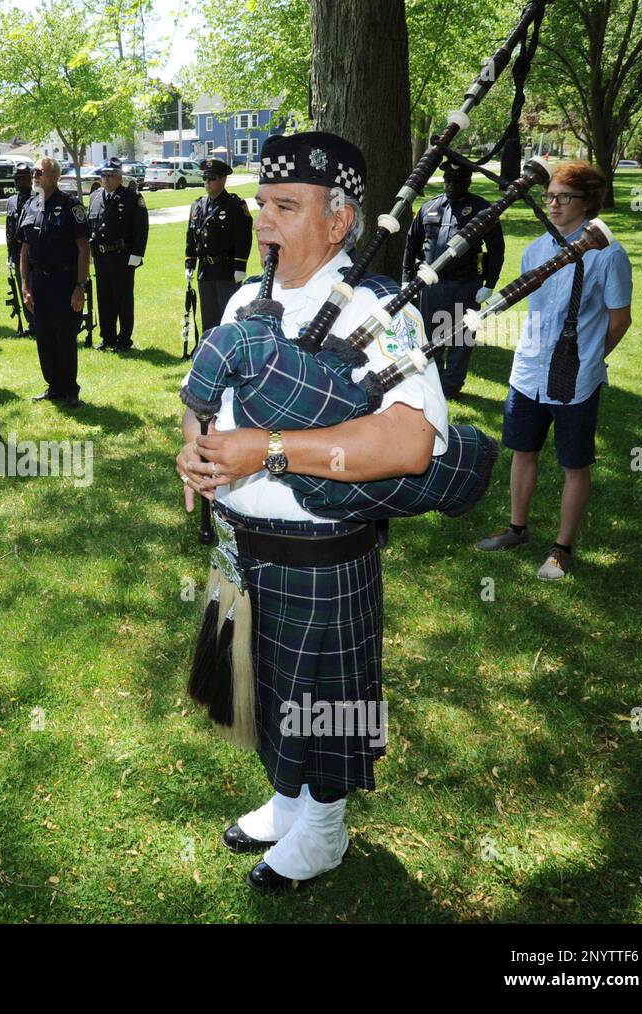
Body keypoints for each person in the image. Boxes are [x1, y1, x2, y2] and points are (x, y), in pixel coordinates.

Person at [175, 131, 448, 893]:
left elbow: (411, 441)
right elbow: (202, 399)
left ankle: (324, 827)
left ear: (339, 221)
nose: (263, 219)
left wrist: (266, 451)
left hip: (319, 555)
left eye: (285, 206)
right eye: (263, 202)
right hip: (242, 546)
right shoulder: (242, 299)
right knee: (266, 689)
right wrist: (193, 451)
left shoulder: (376, 311)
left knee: (322, 702)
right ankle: (288, 800)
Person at [475, 161, 632, 581]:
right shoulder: (537, 249)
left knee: (573, 463)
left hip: (575, 378)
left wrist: (589, 360)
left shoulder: (609, 254)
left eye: (564, 197)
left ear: (587, 202)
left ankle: (562, 548)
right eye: (549, 197)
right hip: (528, 369)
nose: (554, 204)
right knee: (523, 450)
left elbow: (620, 319)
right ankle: (517, 529)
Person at [403, 159, 504, 398]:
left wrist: (489, 284)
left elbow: (496, 249)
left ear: (468, 182)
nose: (451, 185)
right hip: (432, 285)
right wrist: (407, 278)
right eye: (448, 180)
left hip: (466, 284)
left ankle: (452, 386)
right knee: (431, 334)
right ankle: (435, 380)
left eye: (457, 181)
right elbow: (411, 243)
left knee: (462, 337)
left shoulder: (482, 209)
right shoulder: (429, 208)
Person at [18, 156, 90, 408]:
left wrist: (79, 287)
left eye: (41, 172)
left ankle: (70, 388)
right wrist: (25, 286)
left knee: (64, 336)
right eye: (34, 171)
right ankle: (53, 386)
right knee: (44, 336)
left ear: (55, 177)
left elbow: (83, 248)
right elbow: (24, 250)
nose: (35, 175)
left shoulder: (71, 206)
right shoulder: (30, 206)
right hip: (39, 281)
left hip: (64, 280)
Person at [87, 157, 148, 351]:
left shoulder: (131, 197)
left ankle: (124, 339)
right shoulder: (95, 197)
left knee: (123, 300)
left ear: (119, 177)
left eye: (110, 175)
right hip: (101, 257)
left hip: (122, 257)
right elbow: (91, 227)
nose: (106, 179)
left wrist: (137, 254)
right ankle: (107, 337)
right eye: (103, 175)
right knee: (104, 300)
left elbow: (141, 228)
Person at [185, 158, 253, 331]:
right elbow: (191, 236)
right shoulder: (198, 205)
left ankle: (230, 352)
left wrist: (240, 266)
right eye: (205, 178)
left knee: (228, 315)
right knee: (208, 316)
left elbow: (243, 237)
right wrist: (190, 262)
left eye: (212, 178)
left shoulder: (235, 205)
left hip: (226, 270)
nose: (207, 182)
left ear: (223, 179)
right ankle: (209, 352)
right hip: (205, 271)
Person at [4, 164, 34, 334]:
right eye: (16, 179)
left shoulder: (38, 198)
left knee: (34, 289)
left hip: (33, 254)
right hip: (17, 253)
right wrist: (9, 255)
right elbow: (9, 230)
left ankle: (38, 322)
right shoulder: (11, 201)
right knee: (22, 286)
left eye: (22, 178)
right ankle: (31, 324)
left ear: (30, 179)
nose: (18, 182)